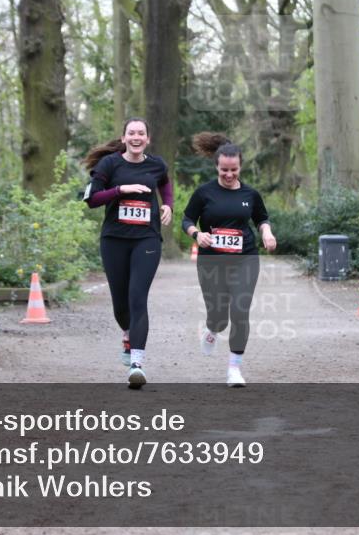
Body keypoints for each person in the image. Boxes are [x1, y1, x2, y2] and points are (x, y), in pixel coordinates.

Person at [182, 132, 276, 387]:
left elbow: (261, 218)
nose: (229, 174)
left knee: (240, 311)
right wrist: (196, 234)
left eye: (233, 170)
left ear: (240, 167)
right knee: (219, 316)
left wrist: (266, 232)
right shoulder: (204, 193)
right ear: (216, 167)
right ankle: (212, 328)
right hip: (211, 262)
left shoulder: (250, 194)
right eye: (224, 170)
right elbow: (187, 219)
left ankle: (234, 367)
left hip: (245, 258)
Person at [83, 117, 172, 388]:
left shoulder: (157, 164)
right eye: (131, 133)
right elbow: (92, 200)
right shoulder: (109, 164)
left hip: (147, 240)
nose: (136, 137)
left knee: (137, 298)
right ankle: (126, 332)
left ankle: (136, 364)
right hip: (114, 240)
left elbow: (165, 186)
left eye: (141, 133)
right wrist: (121, 189)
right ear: (124, 138)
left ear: (147, 139)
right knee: (120, 305)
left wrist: (168, 204)